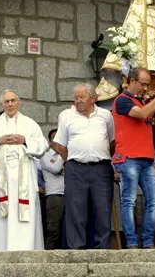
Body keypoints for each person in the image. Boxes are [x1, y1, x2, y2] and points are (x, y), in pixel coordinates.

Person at [0, 90, 48, 251]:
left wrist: (25, 140)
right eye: (6, 102)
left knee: (27, 212)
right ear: (1, 104)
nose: (10, 104)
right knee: (6, 214)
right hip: (3, 179)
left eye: (12, 100)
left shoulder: (30, 124)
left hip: (26, 179)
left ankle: (28, 249)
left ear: (19, 102)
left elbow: (42, 146)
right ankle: (4, 250)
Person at [111, 67, 155, 249]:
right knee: (129, 201)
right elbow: (143, 113)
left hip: (146, 157)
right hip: (129, 157)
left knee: (153, 201)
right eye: (143, 84)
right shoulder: (122, 100)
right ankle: (131, 242)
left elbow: (149, 113)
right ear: (131, 81)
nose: (146, 88)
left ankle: (147, 242)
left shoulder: (141, 101)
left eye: (148, 84)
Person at [52, 83, 115, 249]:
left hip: (101, 169)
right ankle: (76, 250)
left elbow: (112, 142)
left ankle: (102, 249)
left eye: (82, 97)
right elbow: (59, 145)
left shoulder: (106, 116)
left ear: (93, 98)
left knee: (103, 210)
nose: (78, 101)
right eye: (76, 97)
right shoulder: (67, 117)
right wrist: (73, 159)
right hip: (76, 169)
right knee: (76, 211)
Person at [40, 129, 65, 249]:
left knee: (68, 230)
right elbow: (55, 168)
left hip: (70, 194)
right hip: (55, 196)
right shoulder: (45, 155)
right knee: (53, 229)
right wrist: (63, 155)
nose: (58, 142)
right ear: (50, 142)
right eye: (55, 139)